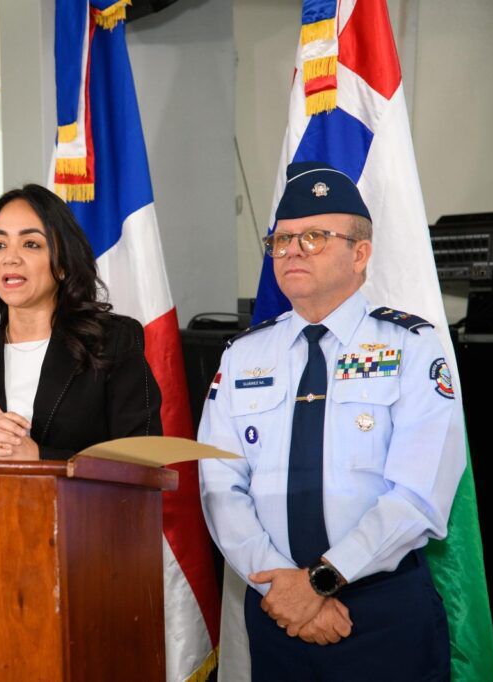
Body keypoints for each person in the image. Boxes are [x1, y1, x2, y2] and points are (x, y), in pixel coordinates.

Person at [198, 162, 464, 680]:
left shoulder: (411, 347)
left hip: (381, 608)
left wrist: (320, 581)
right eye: (282, 239)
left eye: (315, 237)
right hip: (276, 608)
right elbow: (219, 486)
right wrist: (284, 589)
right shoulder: (243, 356)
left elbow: (418, 494)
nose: (293, 250)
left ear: (360, 254)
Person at [0, 184, 162, 460]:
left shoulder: (112, 341)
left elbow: (144, 460)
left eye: (31, 244)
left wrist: (39, 457)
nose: (10, 258)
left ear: (62, 264)